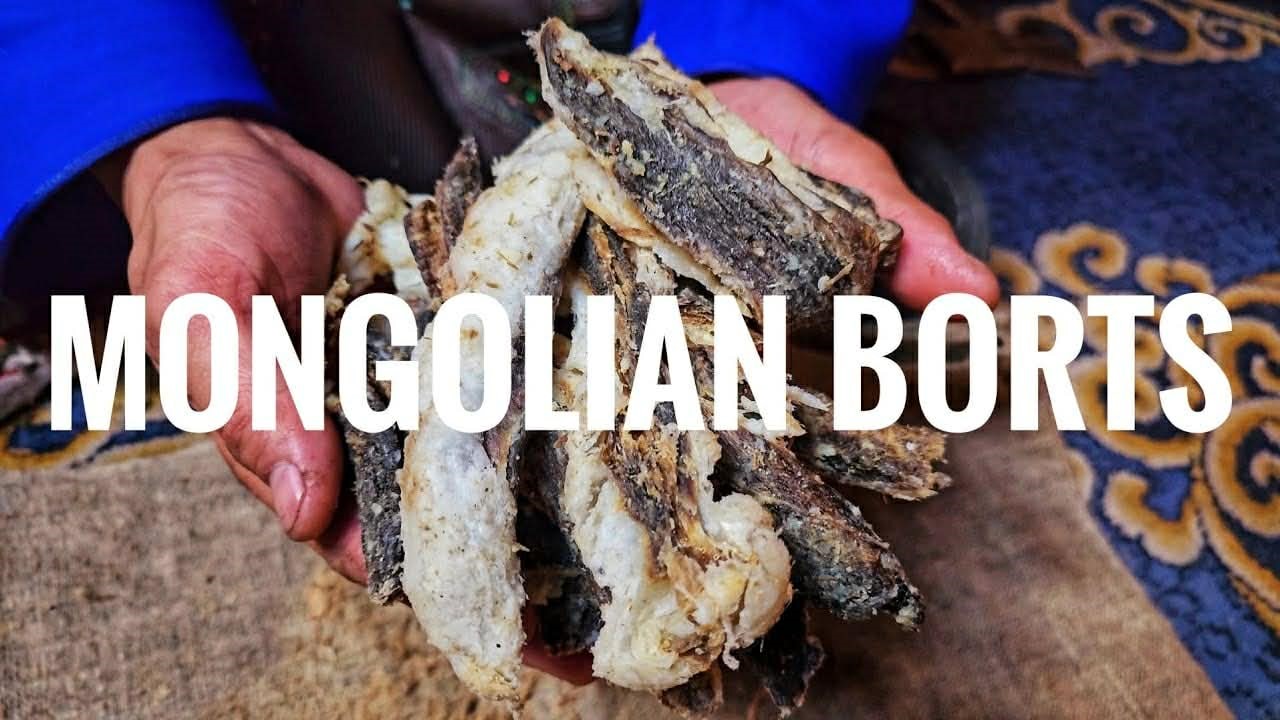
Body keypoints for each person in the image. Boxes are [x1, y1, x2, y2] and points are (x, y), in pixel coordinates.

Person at [1, 0, 997, 649]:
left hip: (614, 45)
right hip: (269, 38)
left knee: (877, 253)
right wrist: (161, 124)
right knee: (112, 250)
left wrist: (756, 53)